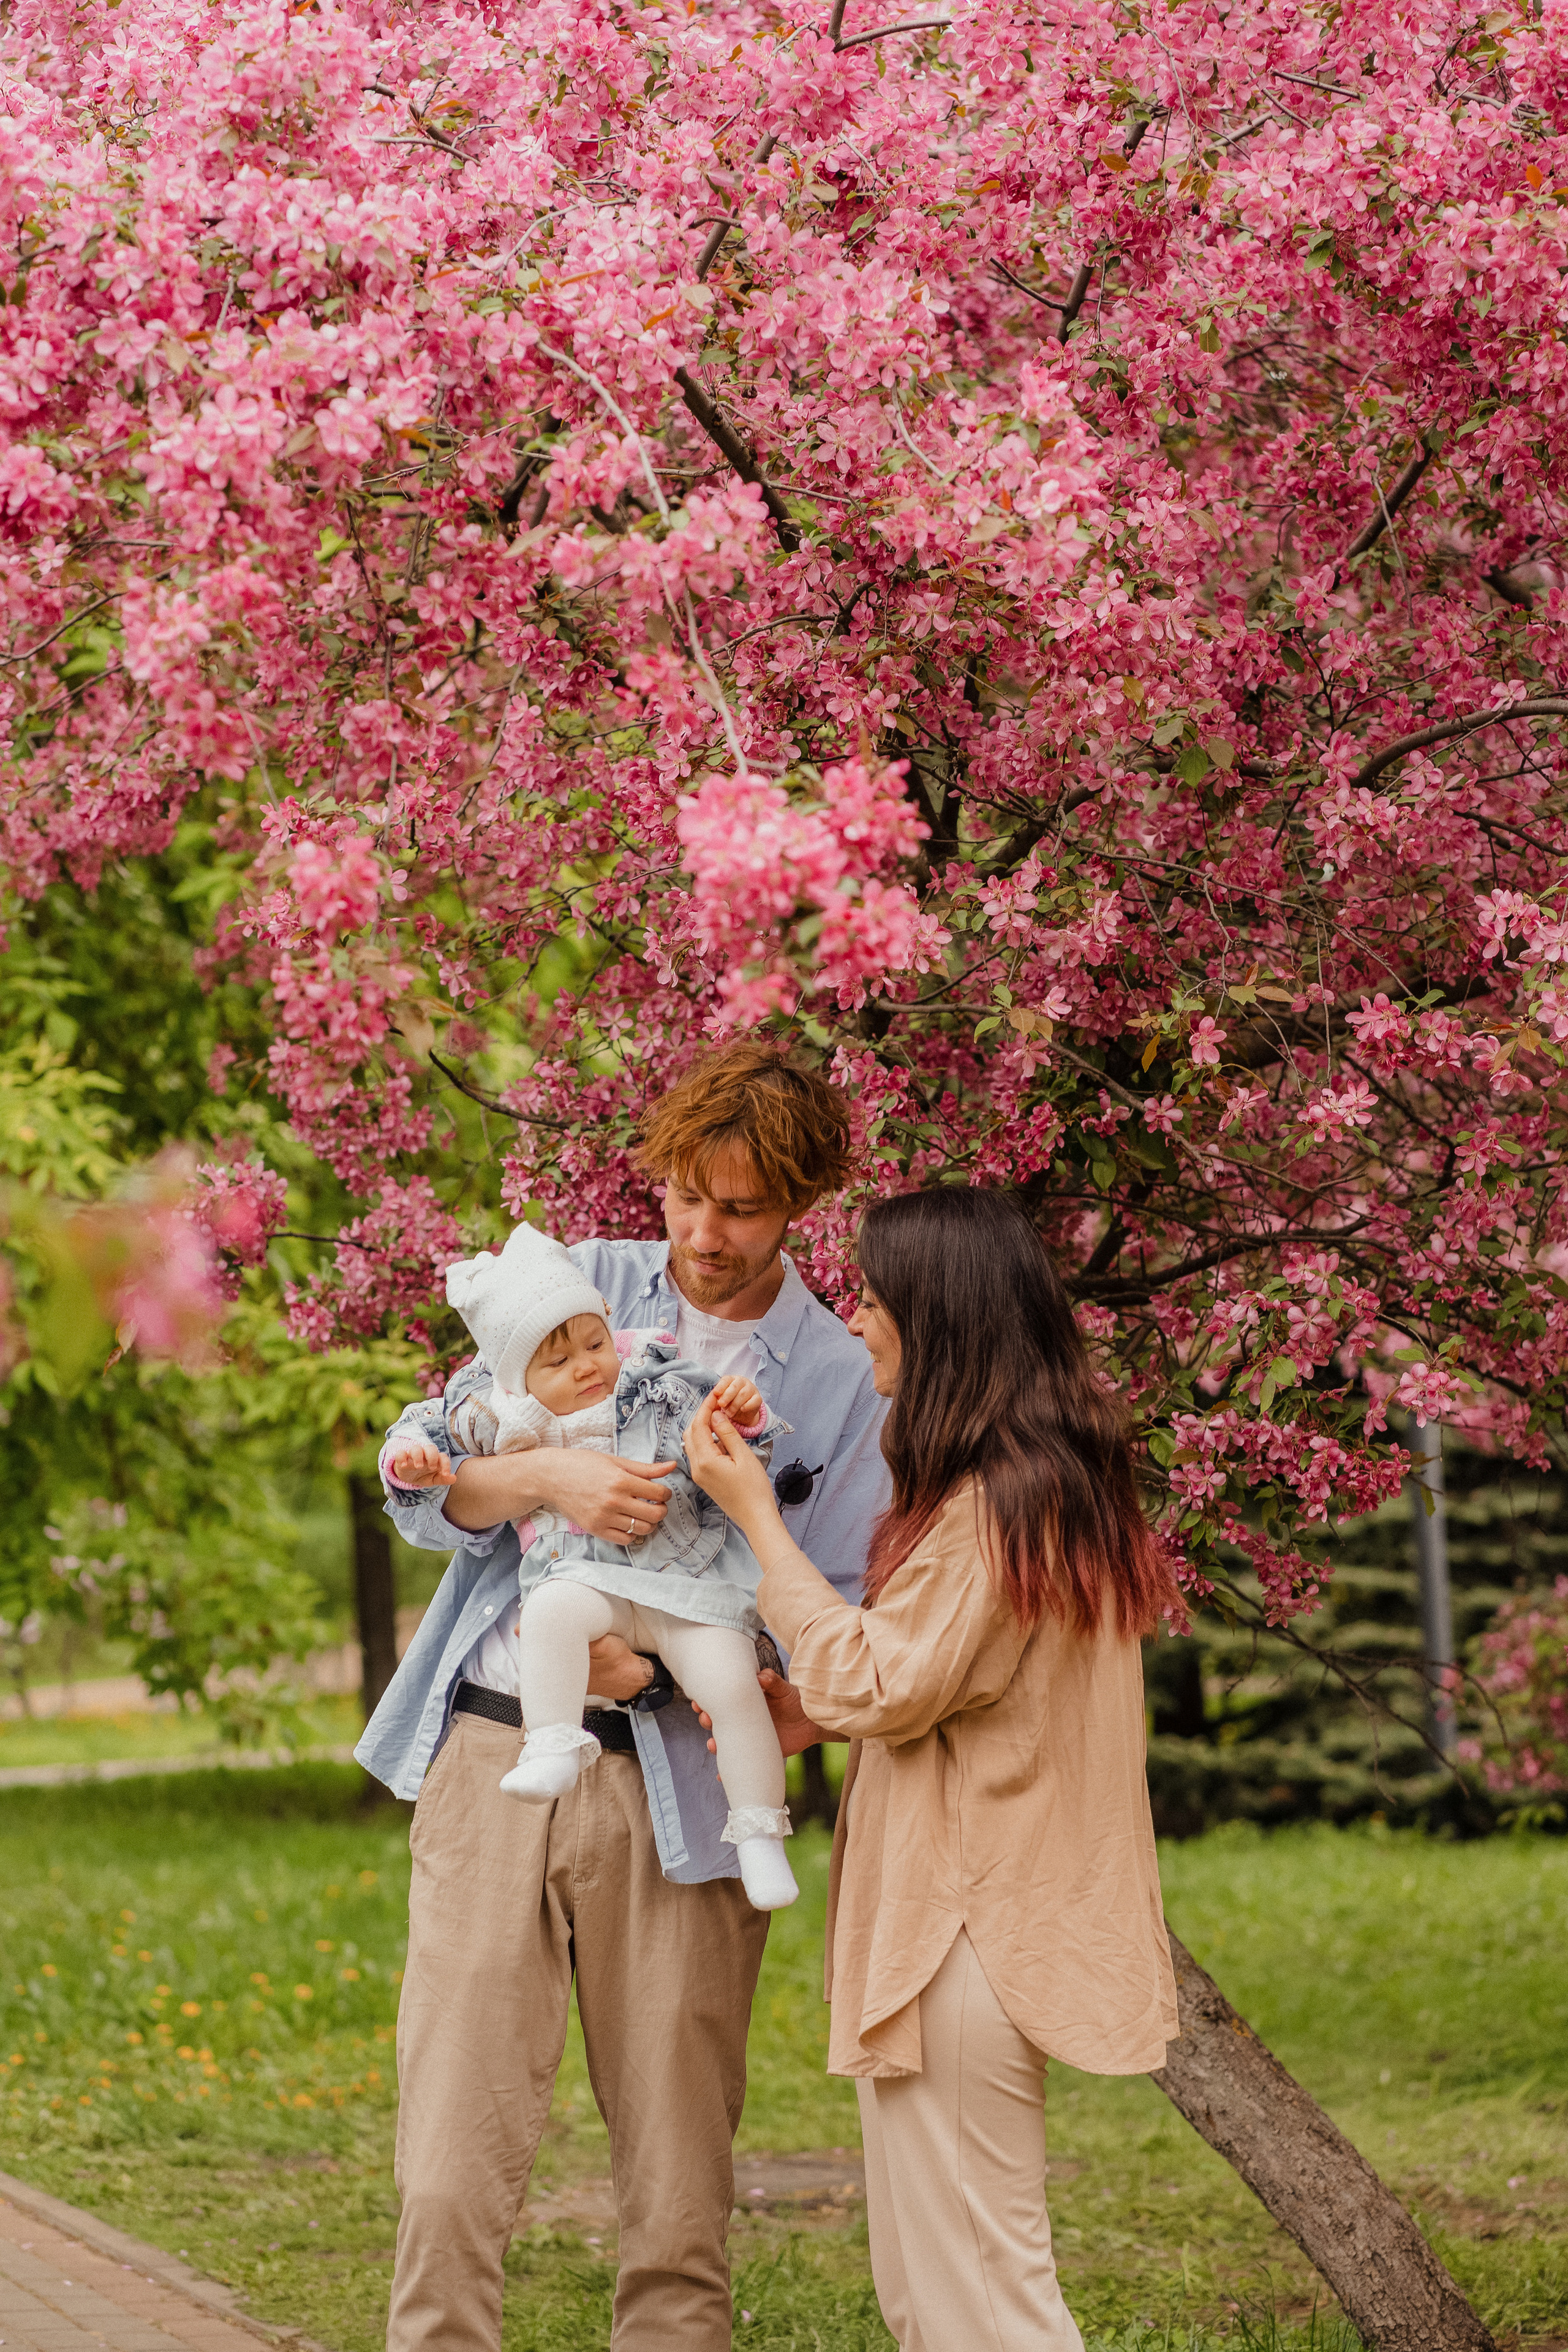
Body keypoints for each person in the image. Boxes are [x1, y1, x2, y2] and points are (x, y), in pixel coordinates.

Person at [355, 1039, 888, 2352]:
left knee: (676, 2195)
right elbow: (428, 1481)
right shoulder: (579, 1282)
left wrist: (652, 1664)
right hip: (495, 1760)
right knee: (447, 2169)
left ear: (798, 1205)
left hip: (688, 1797)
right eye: (687, 1198)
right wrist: (552, 1487)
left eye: (744, 1206)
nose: (707, 1234)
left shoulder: (831, 1378)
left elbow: (824, 1622)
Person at [685, 1185, 1180, 2352]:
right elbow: (964, 1686)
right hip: (969, 1919)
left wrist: (758, 1523)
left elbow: (888, 1681)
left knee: (981, 2299)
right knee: (932, 2292)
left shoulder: (1005, 1502)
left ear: (938, 1316)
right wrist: (819, 1713)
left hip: (968, 1929)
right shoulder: (1040, 1483)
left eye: (872, 1299)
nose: (854, 1323)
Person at [386, 1217, 800, 1908]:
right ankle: (551, 1743)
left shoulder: (653, 1379)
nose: (585, 1366)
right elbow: (421, 1433)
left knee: (731, 1684)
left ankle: (758, 1835)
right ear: (515, 1377)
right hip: (587, 1585)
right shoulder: (501, 1416)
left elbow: (732, 1449)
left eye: (593, 1343)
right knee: (549, 1611)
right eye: (558, 1361)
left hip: (684, 1586)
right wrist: (413, 1463)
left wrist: (743, 1417)